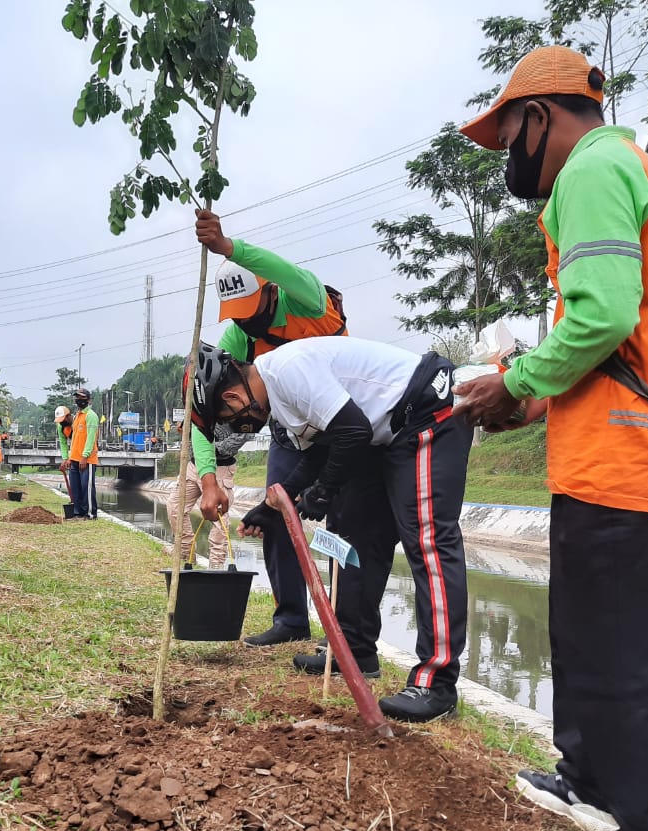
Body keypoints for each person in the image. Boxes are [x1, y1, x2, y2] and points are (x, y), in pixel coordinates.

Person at [454, 45, 648, 831]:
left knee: (635, 660)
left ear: (540, 117)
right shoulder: (633, 173)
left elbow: (603, 315)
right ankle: (593, 779)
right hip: (615, 457)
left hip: (634, 463)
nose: (510, 159)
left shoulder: (592, 172)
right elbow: (624, 339)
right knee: (589, 642)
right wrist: (531, 398)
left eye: (509, 139)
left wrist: (515, 383)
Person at [186, 338, 473, 724]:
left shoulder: (287, 371)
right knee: (355, 530)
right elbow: (320, 452)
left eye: (224, 415)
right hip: (382, 434)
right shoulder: (280, 400)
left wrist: (322, 491)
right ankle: (354, 649)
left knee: (428, 541)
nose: (233, 422)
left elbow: (352, 431)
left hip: (425, 411)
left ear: (233, 396)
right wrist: (274, 505)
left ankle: (436, 685)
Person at [193, 210, 349, 648]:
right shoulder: (239, 338)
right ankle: (291, 618)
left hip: (344, 425)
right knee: (276, 510)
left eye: (250, 310)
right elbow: (204, 413)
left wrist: (229, 248)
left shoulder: (306, 301)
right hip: (290, 432)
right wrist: (209, 479)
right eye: (237, 315)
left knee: (343, 519)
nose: (245, 322)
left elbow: (284, 269)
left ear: (270, 292)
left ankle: (347, 629)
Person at [167, 423, 248, 568]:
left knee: (219, 518)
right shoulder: (199, 407)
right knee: (175, 506)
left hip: (220, 467)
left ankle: (216, 564)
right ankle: (186, 552)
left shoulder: (239, 411)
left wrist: (211, 449)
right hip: (194, 464)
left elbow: (244, 434)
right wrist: (186, 429)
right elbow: (194, 425)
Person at [59, 387, 99, 520]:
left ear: (88, 400)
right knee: (76, 488)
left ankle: (90, 514)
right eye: (77, 397)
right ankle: (78, 512)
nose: (79, 400)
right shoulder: (76, 416)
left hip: (87, 459)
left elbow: (91, 438)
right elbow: (74, 438)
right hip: (74, 459)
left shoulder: (91, 416)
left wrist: (84, 456)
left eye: (82, 397)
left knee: (87, 487)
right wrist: (69, 458)